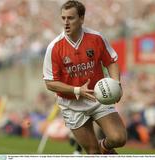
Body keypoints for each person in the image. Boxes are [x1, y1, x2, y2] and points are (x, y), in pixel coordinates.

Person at [43, 0, 127, 154]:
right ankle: (99, 151)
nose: (66, 22)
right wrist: (77, 90)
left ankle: (105, 147)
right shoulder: (54, 47)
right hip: (71, 104)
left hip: (98, 97)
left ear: (81, 18)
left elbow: (112, 61)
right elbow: (50, 83)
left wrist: (116, 84)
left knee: (118, 138)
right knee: (93, 152)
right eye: (63, 18)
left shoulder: (96, 38)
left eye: (71, 18)